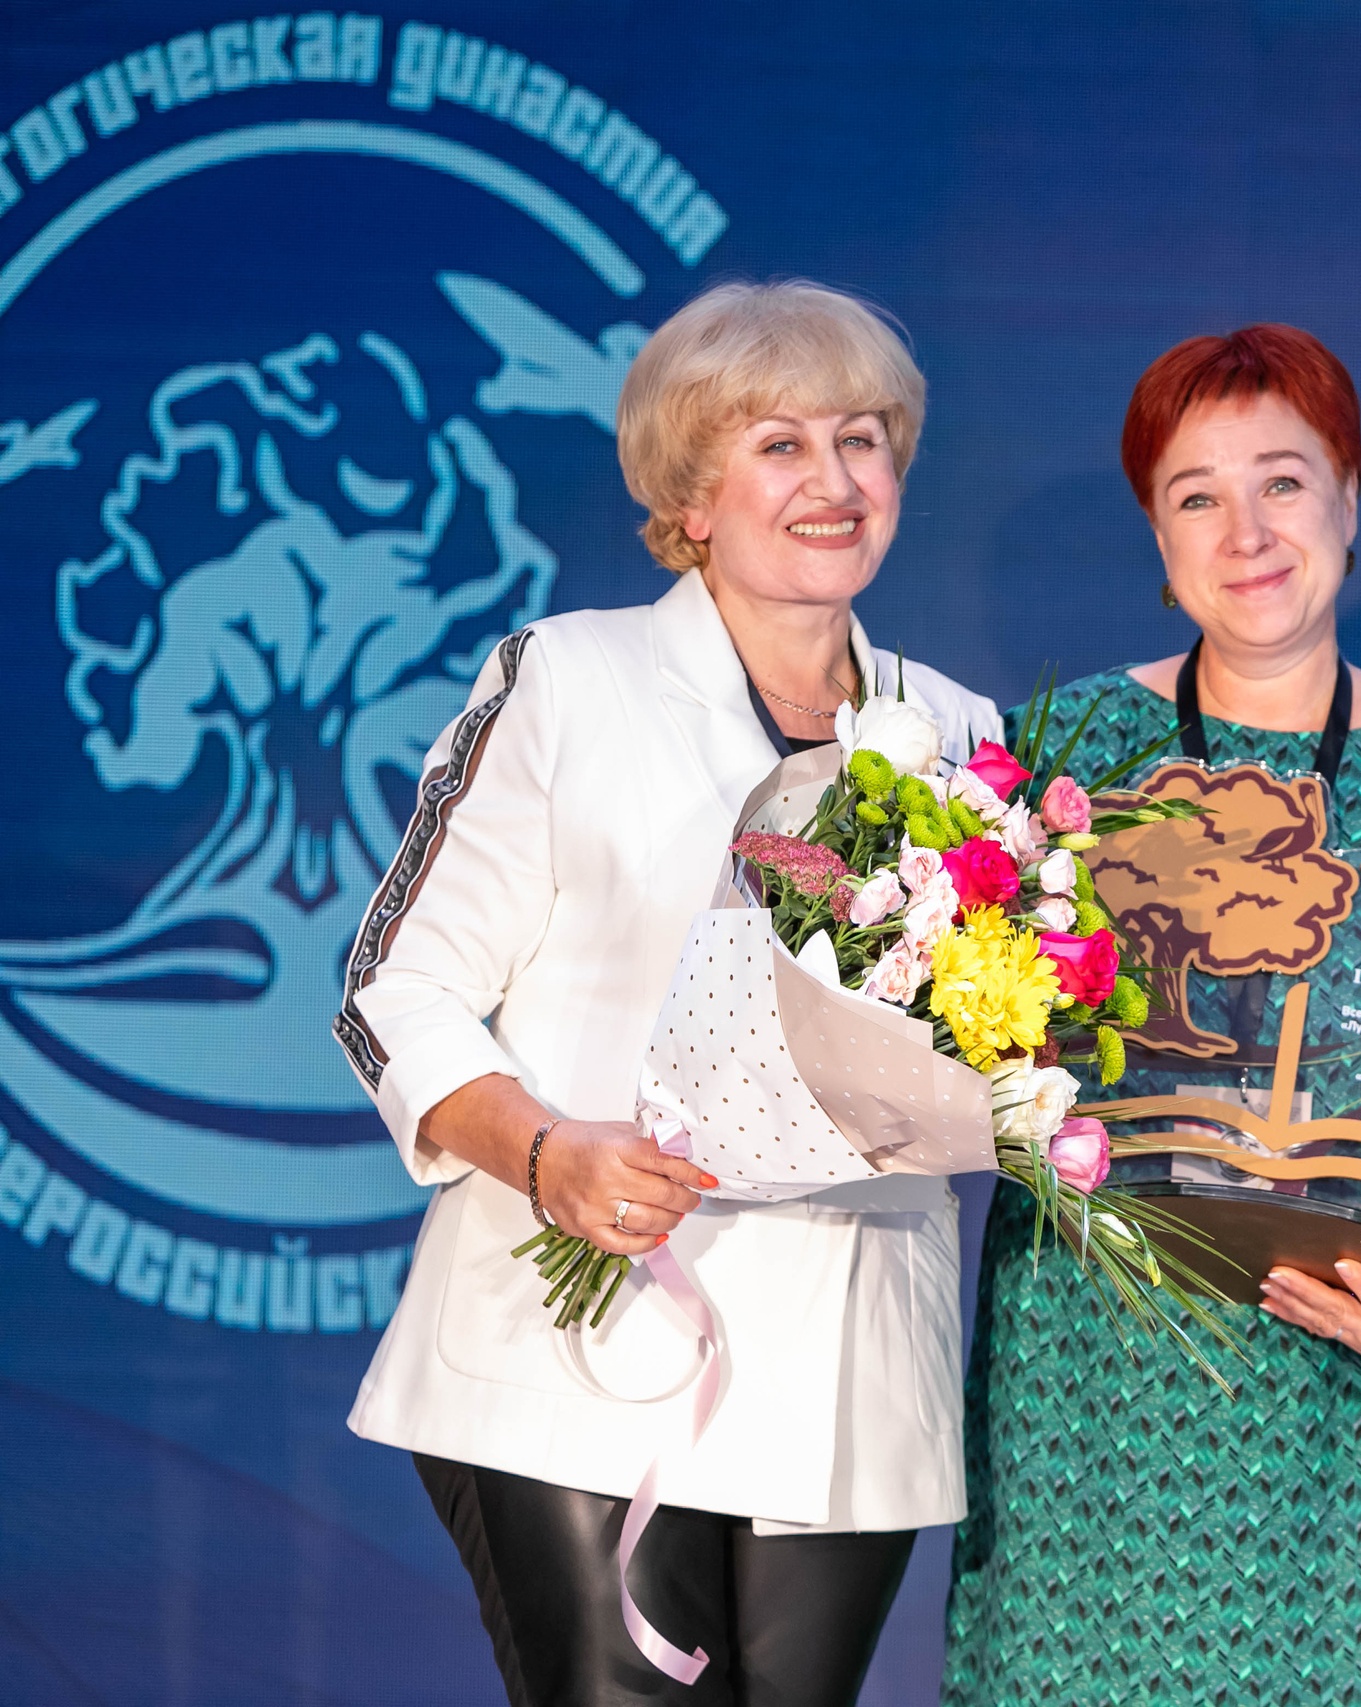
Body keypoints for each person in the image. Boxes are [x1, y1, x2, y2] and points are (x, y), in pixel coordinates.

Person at [335, 280, 1000, 1707]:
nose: (835, 481)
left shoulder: (958, 729)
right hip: (589, 1333)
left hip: (854, 1358)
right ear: (690, 499)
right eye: (781, 446)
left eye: (864, 440)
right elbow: (395, 986)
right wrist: (546, 1154)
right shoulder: (567, 678)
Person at [940, 325, 1361, 1706]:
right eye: (1197, 497)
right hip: (1090, 1388)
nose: (1247, 534)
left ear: (1350, 496)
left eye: (1282, 482)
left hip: (1351, 1388)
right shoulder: (1047, 760)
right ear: (1159, 543)